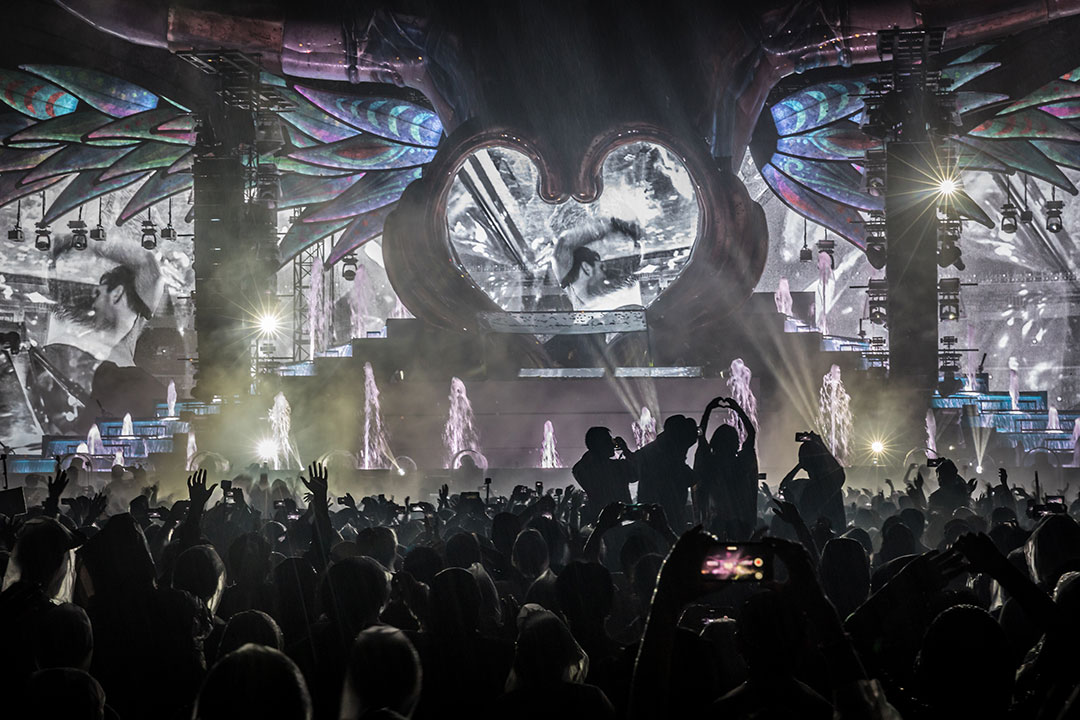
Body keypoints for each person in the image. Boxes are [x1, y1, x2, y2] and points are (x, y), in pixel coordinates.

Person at [694, 396, 758, 539]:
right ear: (736, 443)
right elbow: (752, 434)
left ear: (714, 442)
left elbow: (700, 434)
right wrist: (737, 409)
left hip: (714, 520)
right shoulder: (741, 464)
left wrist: (709, 409)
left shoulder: (709, 463)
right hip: (740, 521)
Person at [634, 415, 698, 530]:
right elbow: (689, 478)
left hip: (651, 514)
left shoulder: (651, 451)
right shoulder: (669, 456)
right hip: (664, 516)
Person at [572, 427, 635, 524]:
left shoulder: (582, 470)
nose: (612, 444)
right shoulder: (618, 466)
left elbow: (578, 467)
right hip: (623, 519)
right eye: (608, 441)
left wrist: (594, 451)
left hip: (599, 520)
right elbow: (636, 473)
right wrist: (626, 450)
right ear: (600, 444)